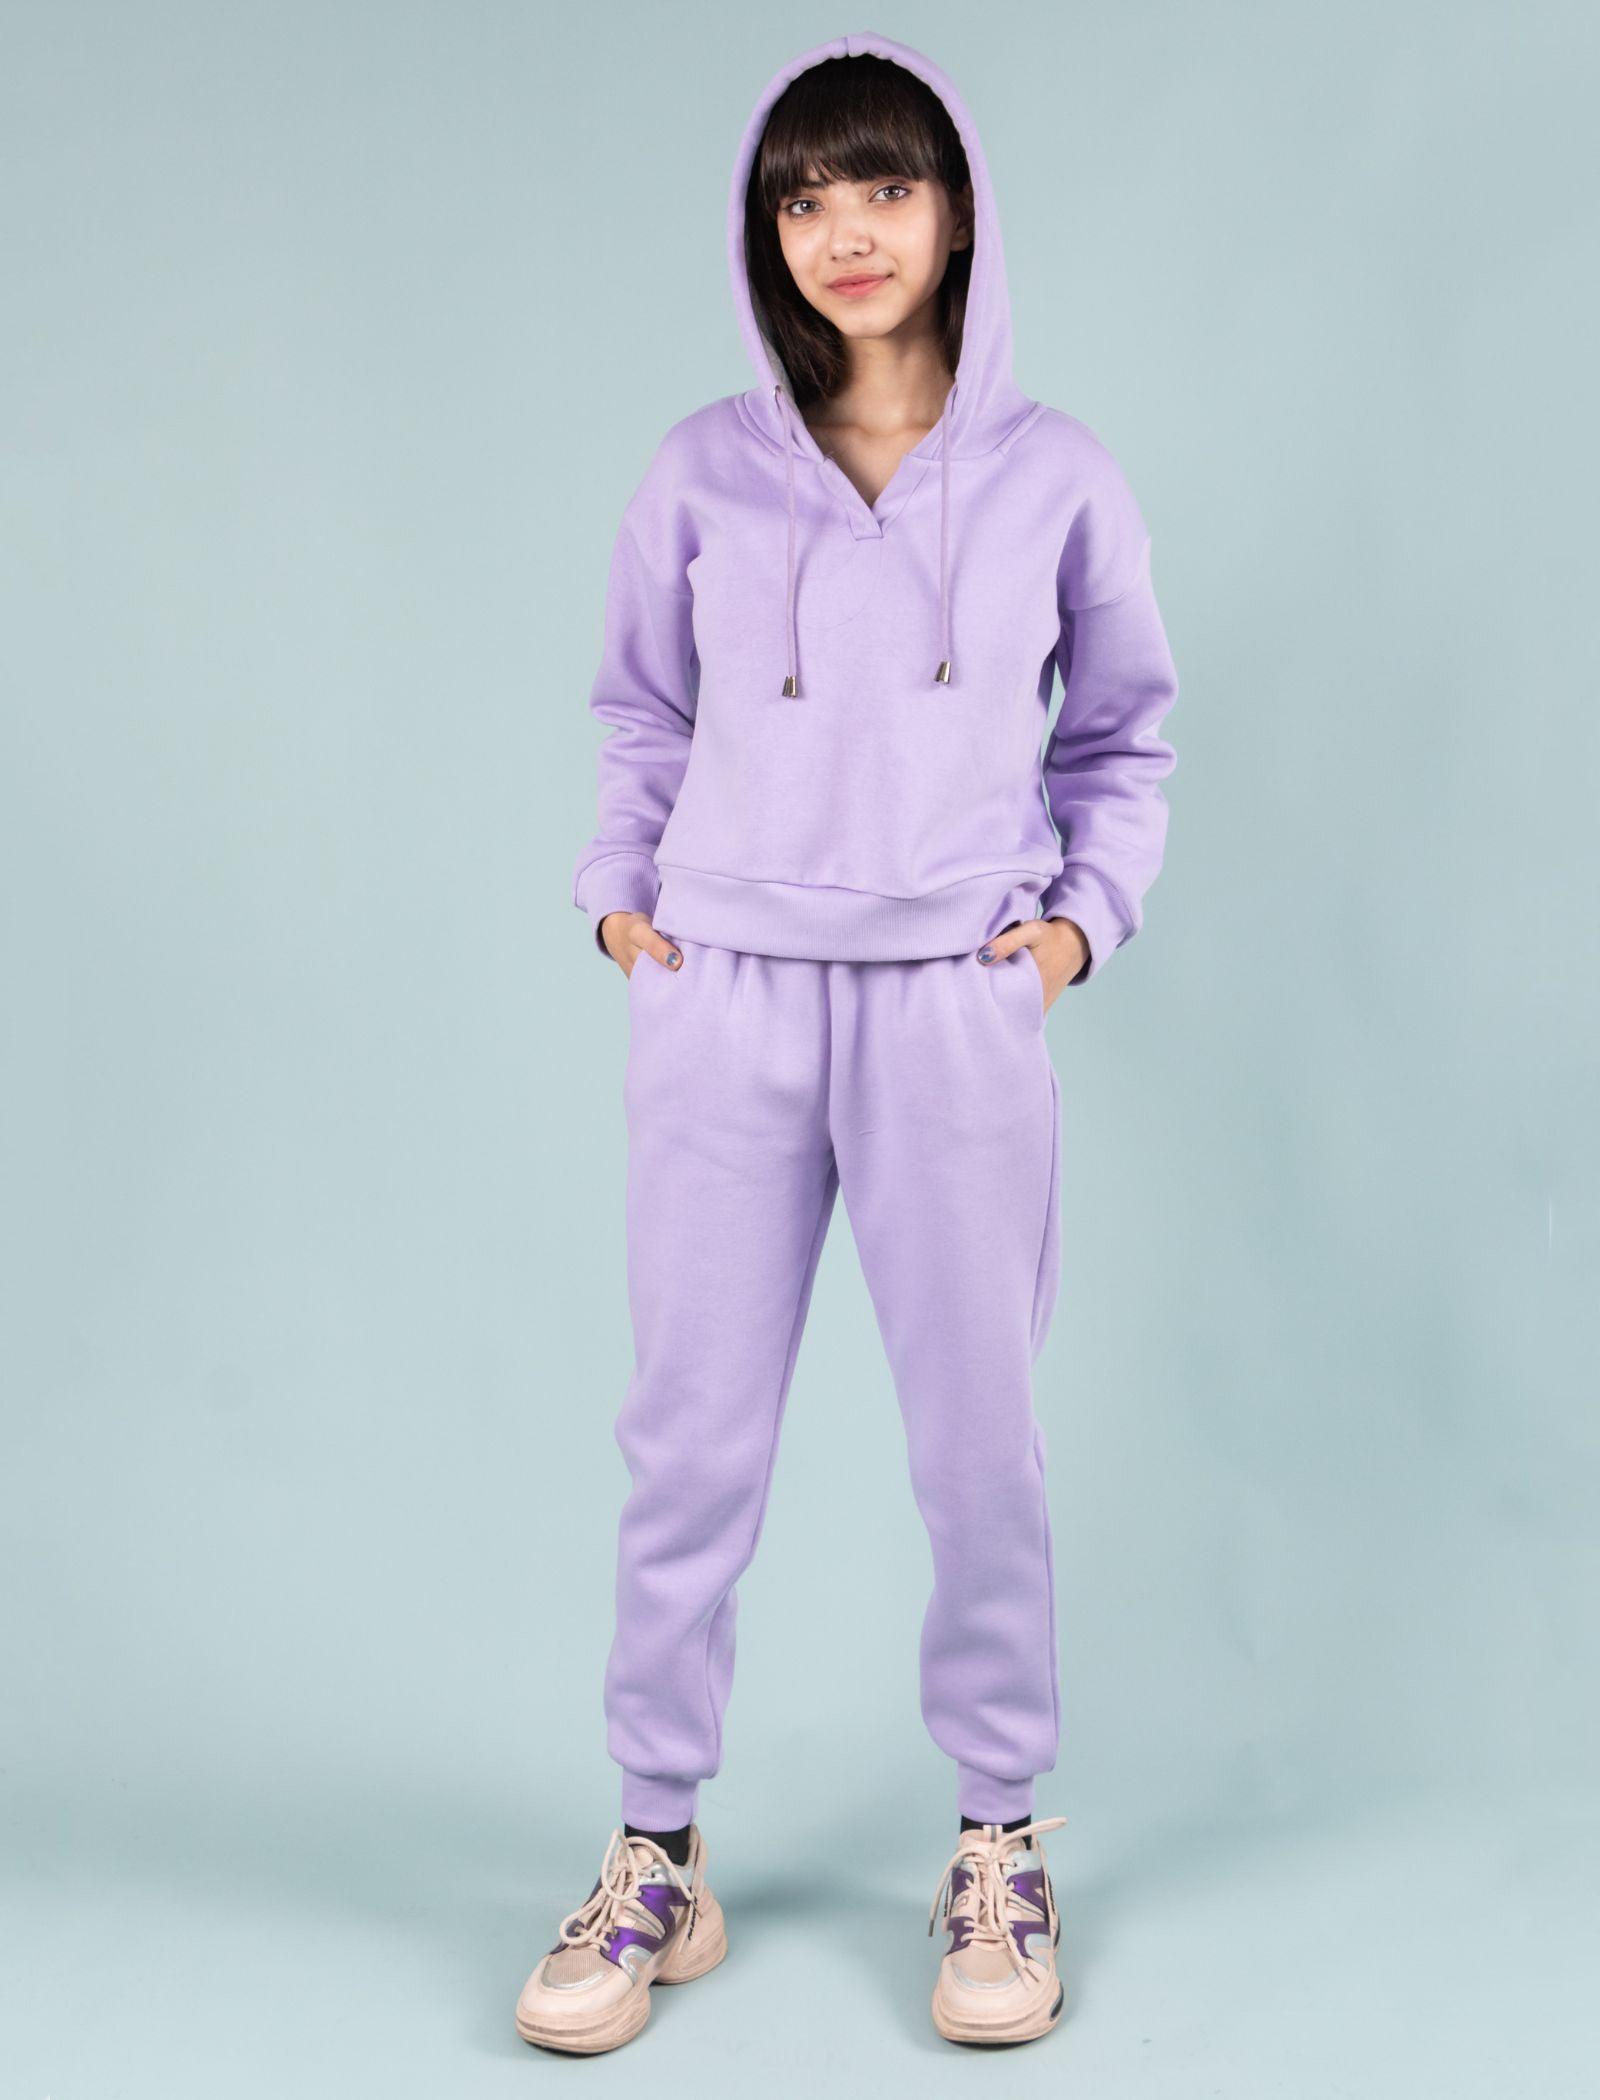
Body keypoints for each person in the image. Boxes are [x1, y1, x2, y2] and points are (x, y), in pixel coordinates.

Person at [516, 30, 1179, 2055]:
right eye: (802, 196)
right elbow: (637, 711)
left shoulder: (1057, 477)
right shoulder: (699, 470)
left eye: (883, 185)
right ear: (767, 234)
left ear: (956, 210)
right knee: (689, 1437)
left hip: (953, 1003)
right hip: (725, 993)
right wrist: (623, 904)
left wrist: (1067, 937)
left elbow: (1122, 738)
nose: (844, 231)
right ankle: (656, 1851)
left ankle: (996, 1838)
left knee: (977, 1442)